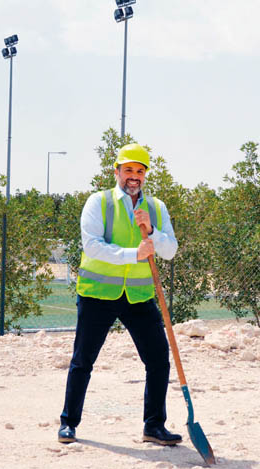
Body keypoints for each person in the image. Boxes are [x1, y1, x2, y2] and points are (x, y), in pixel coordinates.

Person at [58, 143, 182, 446]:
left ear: (145, 175)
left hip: (138, 298)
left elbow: (170, 250)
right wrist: (134, 253)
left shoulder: (156, 208)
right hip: (98, 294)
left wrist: (151, 231)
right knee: (83, 360)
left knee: (158, 360)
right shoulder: (98, 203)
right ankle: (68, 424)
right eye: (128, 170)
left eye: (139, 171)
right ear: (117, 171)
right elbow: (93, 246)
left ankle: (153, 426)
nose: (134, 176)